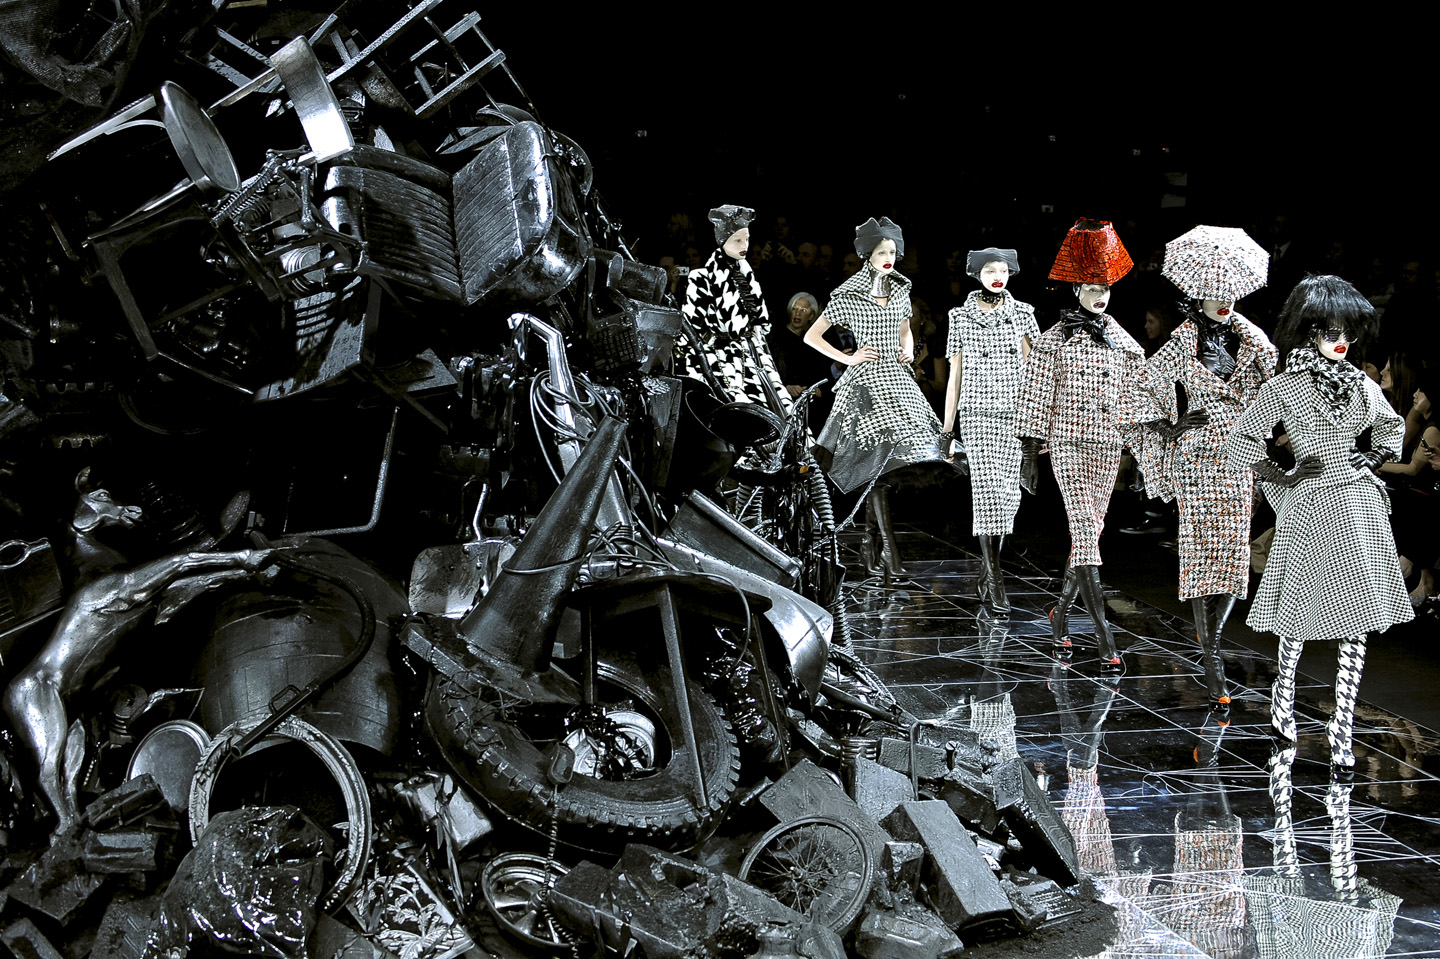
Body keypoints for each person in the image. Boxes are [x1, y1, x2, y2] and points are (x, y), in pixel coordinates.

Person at [1227, 274, 1413, 773]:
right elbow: (1242, 440)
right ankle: (1282, 701)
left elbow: (1391, 427)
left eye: (1348, 332)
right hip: (1309, 504)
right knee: (1296, 613)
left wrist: (1371, 458)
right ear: (1311, 330)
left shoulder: (1361, 384)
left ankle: (1343, 724)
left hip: (1357, 506)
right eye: (1332, 331)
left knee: (1359, 619)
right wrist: (1283, 474)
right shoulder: (1284, 387)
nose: (1342, 340)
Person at [1128, 226, 1278, 710]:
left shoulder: (1255, 343)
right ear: (1197, 294)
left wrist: (1261, 430)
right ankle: (1211, 655)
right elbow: (1142, 384)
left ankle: (1209, 637)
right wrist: (1169, 424)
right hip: (1196, 454)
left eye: (1230, 291)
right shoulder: (1182, 342)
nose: (1225, 299)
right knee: (1197, 549)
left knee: (1234, 553)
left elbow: (1275, 396)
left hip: (1239, 454)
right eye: (1215, 292)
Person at [1016, 219, 1145, 672]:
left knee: (1089, 533)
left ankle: (1060, 616)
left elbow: (1136, 397)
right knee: (1087, 533)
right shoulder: (1053, 341)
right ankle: (1104, 634)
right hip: (1067, 443)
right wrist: (1030, 456)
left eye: (1105, 287)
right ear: (1076, 290)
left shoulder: (1122, 341)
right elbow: (1034, 396)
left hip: (1107, 445)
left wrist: (1139, 454)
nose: (1100, 295)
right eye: (1092, 287)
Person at [804, 216, 951, 582]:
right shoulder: (849, 293)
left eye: (892, 252)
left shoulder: (900, 289)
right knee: (877, 464)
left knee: (890, 464)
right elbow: (812, 336)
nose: (889, 258)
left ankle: (874, 542)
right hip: (867, 383)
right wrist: (850, 357)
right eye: (882, 252)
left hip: (897, 380)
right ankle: (887, 548)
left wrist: (907, 350)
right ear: (867, 255)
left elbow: (905, 329)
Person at [940, 247, 1040, 615]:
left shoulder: (1024, 314)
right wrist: (947, 430)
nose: (997, 277)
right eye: (990, 271)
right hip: (977, 415)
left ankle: (987, 568)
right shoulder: (959, 317)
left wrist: (1037, 425)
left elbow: (1036, 372)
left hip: (1013, 415)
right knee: (987, 496)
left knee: (1008, 497)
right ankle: (996, 577)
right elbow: (955, 376)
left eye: (1003, 271)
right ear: (977, 274)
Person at [678, 204, 791, 417]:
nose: (744, 245)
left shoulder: (749, 278)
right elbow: (690, 329)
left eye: (746, 239)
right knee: (737, 414)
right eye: (737, 240)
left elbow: (760, 322)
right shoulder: (701, 278)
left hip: (754, 357)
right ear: (723, 241)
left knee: (774, 413)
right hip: (721, 360)